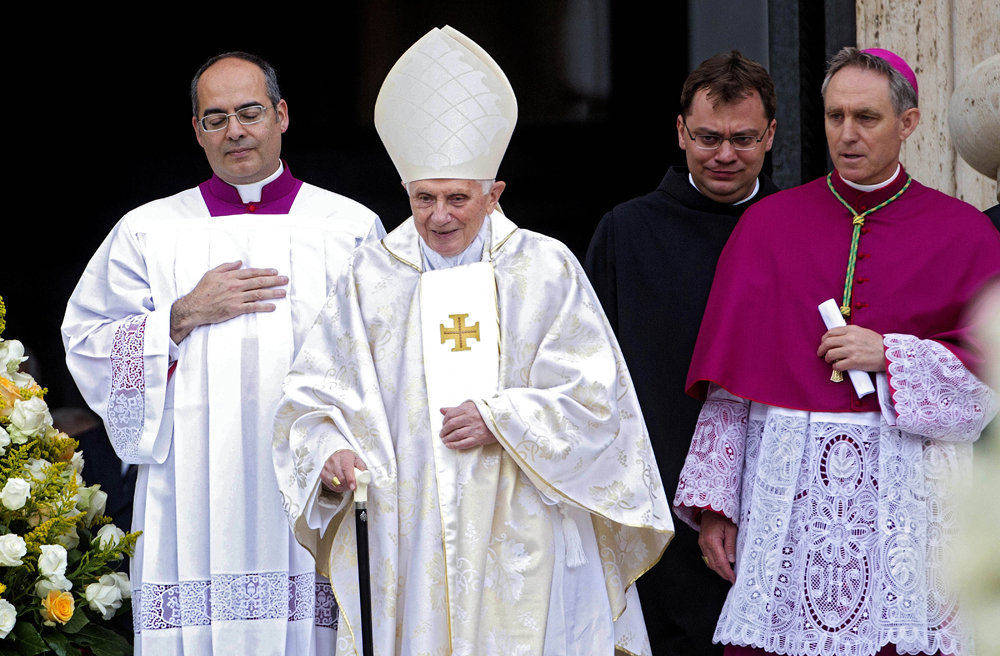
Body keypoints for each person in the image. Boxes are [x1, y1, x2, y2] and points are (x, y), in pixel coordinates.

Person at [272, 26, 673, 656]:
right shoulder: (371, 277)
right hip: (412, 534)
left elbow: (599, 404)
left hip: (528, 530)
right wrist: (326, 452)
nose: (438, 217)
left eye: (457, 198)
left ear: (495, 195)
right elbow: (312, 398)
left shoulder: (546, 269)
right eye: (423, 198)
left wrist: (502, 418)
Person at [673, 47, 1000, 656]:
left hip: (909, 497)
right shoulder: (767, 226)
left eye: (866, 118)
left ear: (908, 123)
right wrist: (716, 505)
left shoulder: (965, 234)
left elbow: (987, 391)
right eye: (834, 117)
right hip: (786, 490)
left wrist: (893, 355)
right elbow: (730, 388)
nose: (846, 135)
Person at [62, 52, 384, 655]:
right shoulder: (148, 231)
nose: (234, 130)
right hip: (193, 487)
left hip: (313, 483)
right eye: (215, 118)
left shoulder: (349, 227)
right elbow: (87, 342)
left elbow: (388, 359)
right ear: (196, 130)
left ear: (281, 115)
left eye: (249, 112)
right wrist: (181, 315)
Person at [584, 50, 779, 656]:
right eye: (708, 137)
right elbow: (588, 373)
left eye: (743, 139)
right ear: (680, 132)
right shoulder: (626, 232)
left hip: (777, 497)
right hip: (658, 506)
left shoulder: (794, 229)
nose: (725, 155)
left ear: (771, 135)